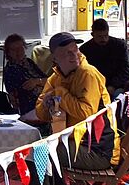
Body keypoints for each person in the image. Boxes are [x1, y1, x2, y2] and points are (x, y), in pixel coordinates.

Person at [36, 32, 120, 172]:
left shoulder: (88, 73)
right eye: (67, 53)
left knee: (42, 153)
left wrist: (60, 93)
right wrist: (46, 104)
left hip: (97, 150)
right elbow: (41, 115)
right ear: (55, 58)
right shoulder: (56, 78)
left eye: (75, 49)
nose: (74, 55)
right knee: (37, 149)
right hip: (74, 142)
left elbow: (86, 114)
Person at [1, 33, 49, 134]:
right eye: (14, 50)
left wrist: (37, 81)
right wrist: (40, 83)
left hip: (43, 103)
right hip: (30, 110)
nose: (18, 52)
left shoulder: (28, 62)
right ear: (8, 52)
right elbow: (22, 94)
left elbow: (49, 80)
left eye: (20, 48)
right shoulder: (11, 70)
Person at [79, 19, 129, 96]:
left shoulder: (119, 45)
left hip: (118, 85)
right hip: (94, 86)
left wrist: (113, 85)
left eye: (105, 35)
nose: (103, 39)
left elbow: (127, 69)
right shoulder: (85, 49)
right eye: (100, 36)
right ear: (92, 34)